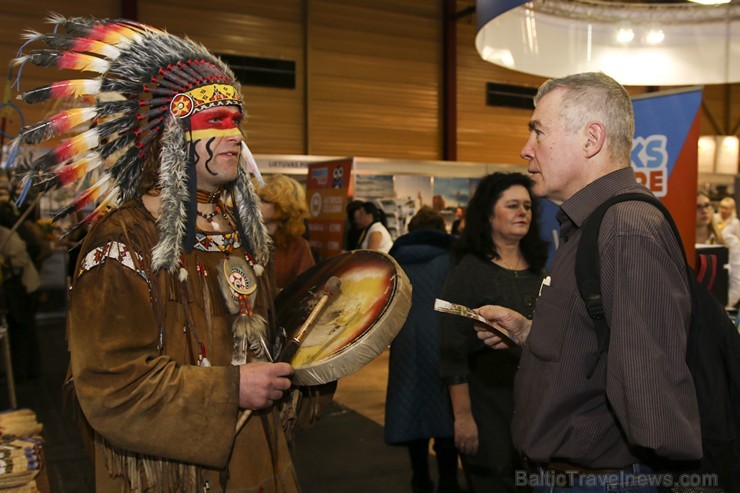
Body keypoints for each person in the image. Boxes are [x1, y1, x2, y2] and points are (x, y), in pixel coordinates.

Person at [9, 16, 331, 491]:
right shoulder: (121, 242)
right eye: (215, 121)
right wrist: (231, 390)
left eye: (237, 120)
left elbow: (265, 338)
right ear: (172, 137)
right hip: (172, 476)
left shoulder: (244, 231)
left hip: (259, 464)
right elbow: (111, 384)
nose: (236, 135)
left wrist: (320, 356)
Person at [475, 72, 702, 492]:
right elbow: (600, 343)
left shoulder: (626, 228)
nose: (526, 150)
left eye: (538, 133)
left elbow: (651, 392)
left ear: (591, 139)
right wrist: (530, 334)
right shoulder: (590, 226)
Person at [437, 172, 548, 493]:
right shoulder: (468, 272)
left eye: (527, 206)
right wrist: (463, 417)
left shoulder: (540, 269)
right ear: (488, 214)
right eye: (512, 205)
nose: (522, 212)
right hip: (487, 405)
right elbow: (450, 350)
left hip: (535, 405)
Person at [385, 206, 463, 493]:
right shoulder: (453, 257)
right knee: (446, 411)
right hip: (442, 339)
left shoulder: (394, 261)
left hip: (405, 342)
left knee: (411, 408)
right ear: (440, 229)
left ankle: (420, 478)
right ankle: (449, 482)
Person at [256, 174, 315, 291]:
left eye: (264, 200)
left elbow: (306, 290)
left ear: (284, 207)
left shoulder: (298, 247)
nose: (256, 204)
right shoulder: (240, 238)